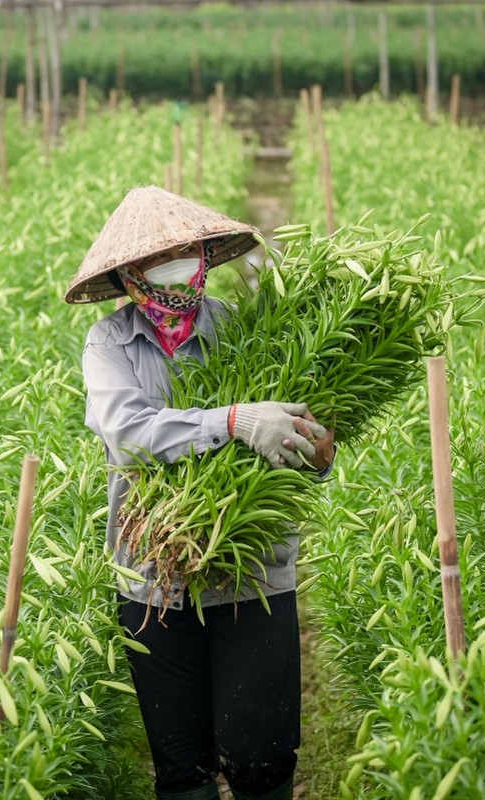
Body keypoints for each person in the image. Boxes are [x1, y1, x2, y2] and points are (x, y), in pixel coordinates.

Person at [65, 187, 336, 800]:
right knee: (182, 769)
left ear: (207, 256)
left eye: (188, 252)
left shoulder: (244, 331)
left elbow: (292, 445)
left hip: (252, 569)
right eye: (162, 258)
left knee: (259, 758)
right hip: (153, 575)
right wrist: (232, 420)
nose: (179, 267)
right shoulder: (109, 344)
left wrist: (316, 454)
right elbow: (127, 436)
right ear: (130, 274)